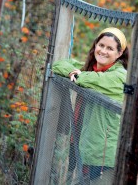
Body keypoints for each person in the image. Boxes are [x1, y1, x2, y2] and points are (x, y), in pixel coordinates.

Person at [52, 27, 129, 184]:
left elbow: (91, 80)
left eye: (110, 48)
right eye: (101, 45)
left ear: (119, 53)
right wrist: (72, 72)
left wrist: (78, 75)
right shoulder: (91, 69)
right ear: (95, 45)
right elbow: (58, 65)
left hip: (103, 155)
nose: (103, 51)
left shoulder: (120, 76)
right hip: (84, 145)